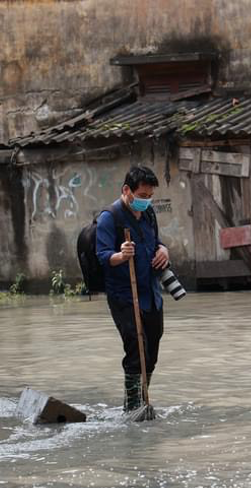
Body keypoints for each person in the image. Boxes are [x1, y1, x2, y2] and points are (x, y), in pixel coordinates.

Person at [95, 165, 169, 412]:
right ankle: (133, 406)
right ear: (127, 190)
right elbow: (103, 256)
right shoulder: (110, 218)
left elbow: (155, 242)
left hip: (151, 294)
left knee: (152, 353)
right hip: (125, 296)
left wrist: (163, 249)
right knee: (135, 351)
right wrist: (120, 255)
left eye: (149, 197)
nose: (146, 201)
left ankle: (141, 397)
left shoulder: (148, 215)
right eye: (142, 196)